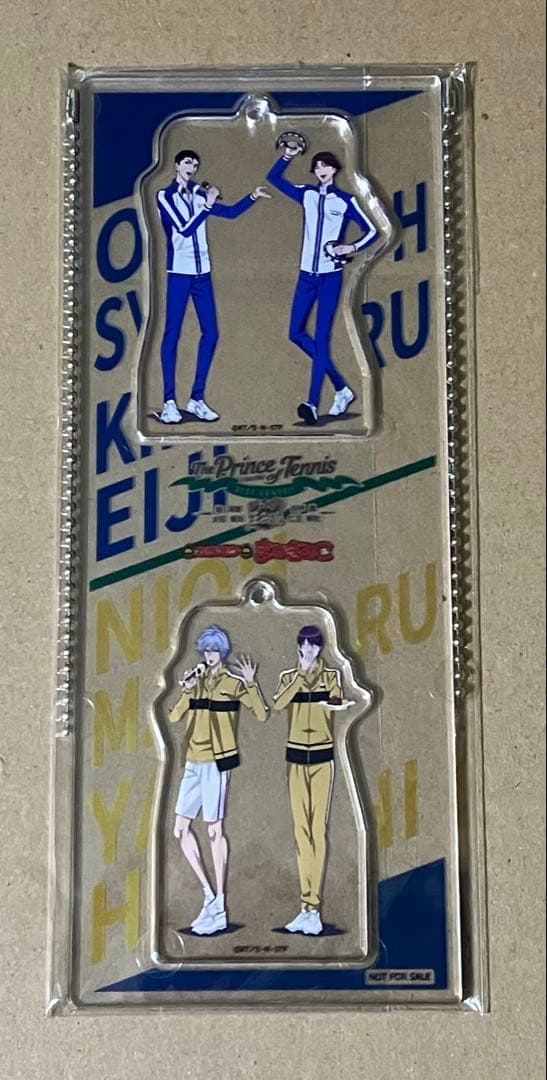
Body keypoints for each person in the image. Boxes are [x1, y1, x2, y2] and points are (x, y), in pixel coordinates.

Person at [266, 146, 380, 424]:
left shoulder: (345, 200)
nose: (321, 170)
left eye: (325, 165)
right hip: (306, 275)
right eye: (317, 166)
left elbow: (373, 230)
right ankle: (341, 389)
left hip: (330, 276)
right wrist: (288, 154)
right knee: (295, 333)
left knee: (320, 337)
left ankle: (312, 403)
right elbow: (274, 178)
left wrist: (350, 246)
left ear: (335, 169)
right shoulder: (306, 194)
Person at [157, 150, 270, 424]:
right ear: (176, 165)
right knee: (172, 333)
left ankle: (196, 398)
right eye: (187, 162)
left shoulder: (199, 195)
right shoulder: (165, 196)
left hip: (202, 274)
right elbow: (184, 229)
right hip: (179, 273)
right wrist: (206, 206)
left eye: (196, 164)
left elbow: (229, 213)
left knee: (211, 333)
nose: (192, 167)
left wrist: (252, 197)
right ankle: (169, 401)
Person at [169, 625, 268, 934]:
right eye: (206, 650)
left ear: (222, 652)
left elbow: (261, 714)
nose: (209, 654)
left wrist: (251, 684)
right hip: (192, 761)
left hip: (217, 762)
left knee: (214, 830)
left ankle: (221, 905)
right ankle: (209, 896)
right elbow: (173, 716)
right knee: (180, 829)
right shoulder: (196, 683)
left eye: (214, 649)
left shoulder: (232, 683)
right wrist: (187, 689)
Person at [272, 625, 348, 935]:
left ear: (320, 648)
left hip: (322, 759)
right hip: (294, 760)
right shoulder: (288, 677)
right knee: (301, 833)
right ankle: (305, 908)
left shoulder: (331, 677)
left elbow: (337, 703)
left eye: (314, 645)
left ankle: (313, 907)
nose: (308, 650)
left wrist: (335, 700)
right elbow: (278, 704)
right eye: (304, 644)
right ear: (298, 646)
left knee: (319, 831)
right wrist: (300, 676)